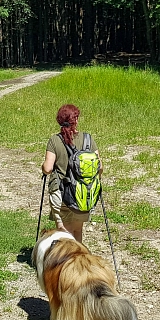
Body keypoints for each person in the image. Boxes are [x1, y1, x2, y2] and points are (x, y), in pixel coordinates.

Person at [41, 104, 101, 244]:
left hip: (62, 192)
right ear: (76, 120)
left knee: (64, 232)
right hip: (83, 193)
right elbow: (99, 167)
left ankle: (67, 262)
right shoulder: (88, 139)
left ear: (60, 121)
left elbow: (48, 168)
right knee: (77, 230)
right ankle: (78, 260)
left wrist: (42, 167)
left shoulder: (55, 140)